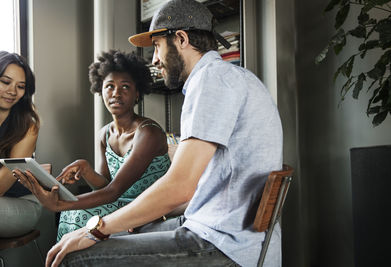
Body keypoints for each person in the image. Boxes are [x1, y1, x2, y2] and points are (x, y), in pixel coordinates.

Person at [16, 0, 283, 266]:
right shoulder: (230, 77)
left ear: (180, 39)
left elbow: (180, 187)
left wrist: (96, 228)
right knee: (122, 230)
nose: (155, 59)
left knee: (72, 256)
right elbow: (199, 186)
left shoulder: (212, 81)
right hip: (220, 230)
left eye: (157, 46)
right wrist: (133, 219)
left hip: (222, 243)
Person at [16, 50, 171, 241]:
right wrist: (86, 169)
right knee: (72, 214)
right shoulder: (104, 134)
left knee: (78, 214)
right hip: (120, 203)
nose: (116, 93)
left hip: (147, 208)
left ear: (137, 93)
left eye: (125, 87)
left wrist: (61, 204)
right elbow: (105, 186)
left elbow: (114, 191)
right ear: (100, 90)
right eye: (109, 86)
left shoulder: (148, 133)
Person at [0, 51, 41, 237]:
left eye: (21, 86)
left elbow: (1, 185)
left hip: (22, 202)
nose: (12, 91)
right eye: (5, 82)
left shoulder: (28, 125)